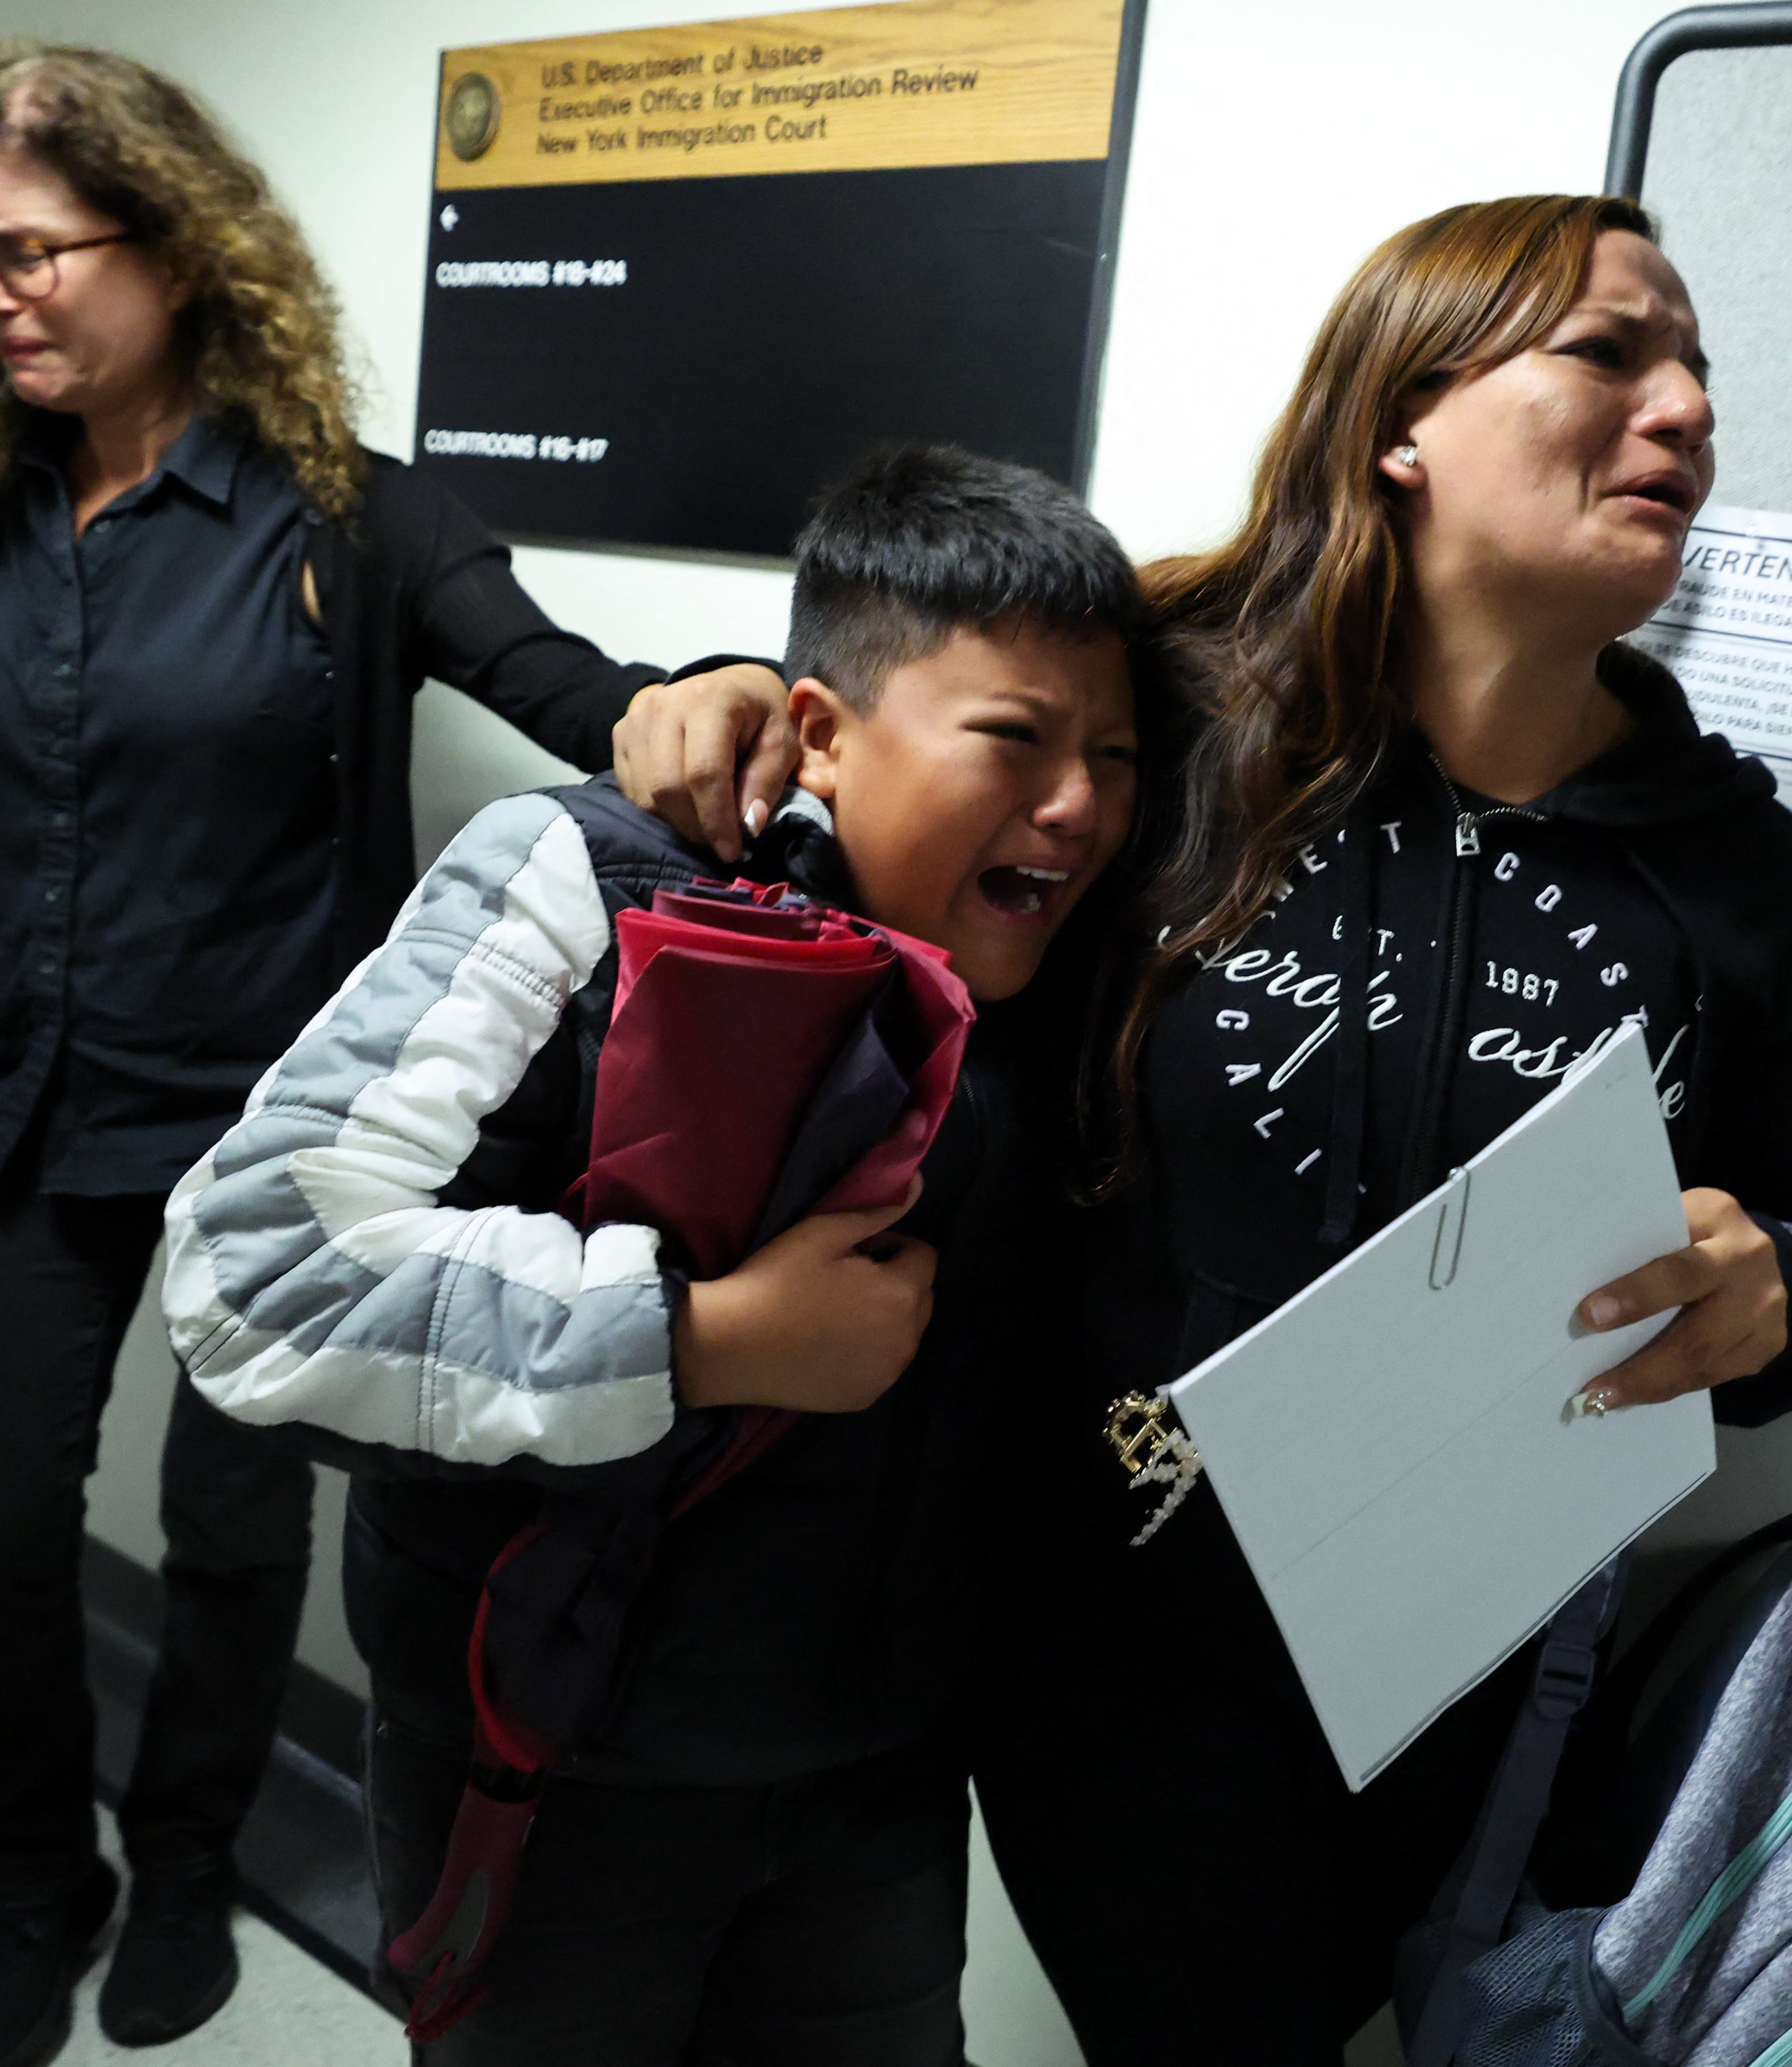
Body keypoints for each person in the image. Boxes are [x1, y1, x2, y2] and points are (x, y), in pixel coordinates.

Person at [0, 36, 780, 2067]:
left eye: (35, 250)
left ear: (178, 243)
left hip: (268, 1149)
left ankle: (188, 1853)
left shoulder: (344, 517)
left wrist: (706, 696)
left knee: (227, 1536)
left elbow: (570, 683)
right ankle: (37, 1879)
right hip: (24, 1113)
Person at [612, 195, 1792, 2064]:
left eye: (1699, 370)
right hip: (1095, 1650)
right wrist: (716, 703)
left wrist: (1776, 1298)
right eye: (1610, 352)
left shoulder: (1727, 859)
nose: (1683, 408)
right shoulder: (1166, 721)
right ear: (1402, 421)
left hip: (1473, 1684)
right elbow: (909, 762)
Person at [158, 445, 1159, 2065]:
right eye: (1016, 738)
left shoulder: (1064, 964)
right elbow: (256, 1263)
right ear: (823, 729)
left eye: (1113, 753)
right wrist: (700, 1333)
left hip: (879, 1789)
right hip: (552, 1771)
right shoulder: (589, 875)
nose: (1081, 804)